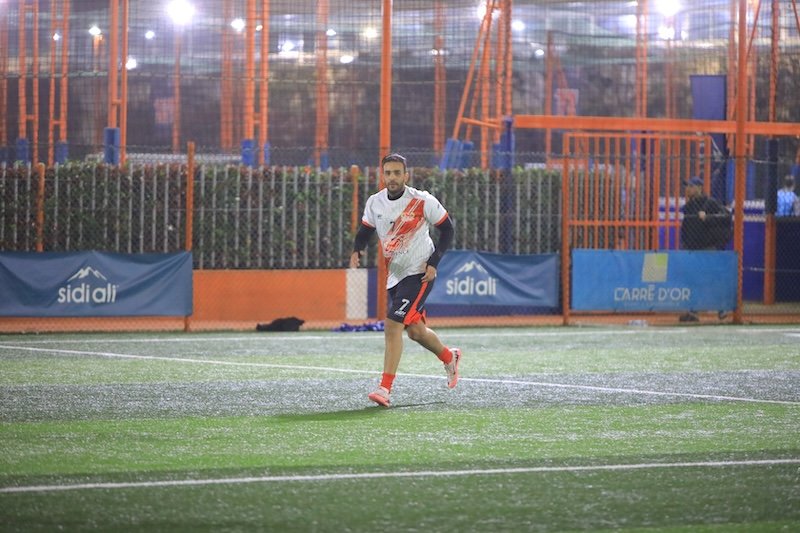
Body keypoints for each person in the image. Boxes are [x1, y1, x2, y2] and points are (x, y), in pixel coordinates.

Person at [350, 153, 461, 407]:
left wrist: (434, 262)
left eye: (397, 173)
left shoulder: (421, 200)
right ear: (383, 175)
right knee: (416, 332)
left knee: (392, 325)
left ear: (406, 175)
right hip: (395, 276)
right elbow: (365, 231)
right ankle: (449, 357)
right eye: (388, 173)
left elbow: (447, 229)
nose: (392, 177)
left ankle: (384, 389)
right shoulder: (375, 202)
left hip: (420, 273)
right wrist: (357, 249)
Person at [679, 176, 732, 322]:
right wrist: (685, 244)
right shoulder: (689, 206)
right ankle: (693, 311)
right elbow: (687, 228)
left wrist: (708, 217)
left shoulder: (710, 203)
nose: (688, 189)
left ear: (699, 188)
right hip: (692, 249)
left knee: (712, 278)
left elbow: (727, 216)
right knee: (694, 280)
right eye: (687, 186)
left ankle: (722, 308)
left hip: (707, 248)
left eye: (691, 186)